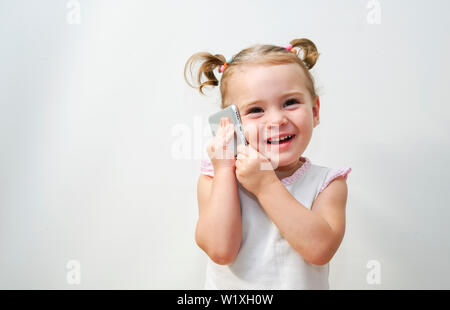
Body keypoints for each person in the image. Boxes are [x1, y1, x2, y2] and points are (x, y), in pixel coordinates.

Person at [184, 38, 352, 289]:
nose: (276, 119)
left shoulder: (327, 185)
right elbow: (220, 251)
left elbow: (320, 249)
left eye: (290, 102)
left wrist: (265, 185)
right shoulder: (216, 177)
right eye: (256, 110)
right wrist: (223, 171)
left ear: (315, 111)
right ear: (228, 124)